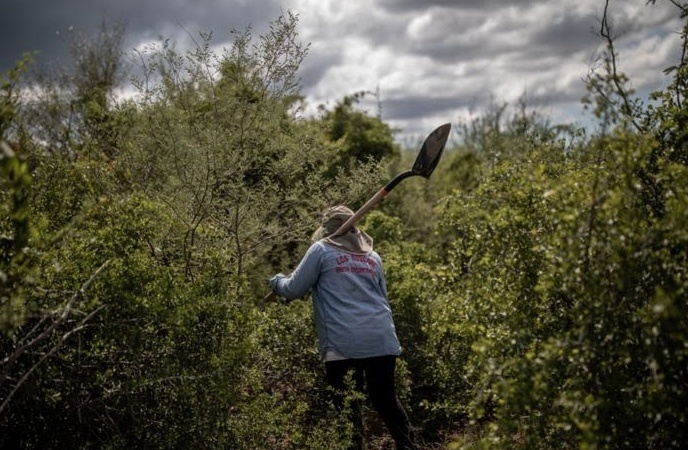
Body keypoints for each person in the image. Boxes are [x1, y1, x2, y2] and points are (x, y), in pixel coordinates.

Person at [270, 205, 418, 450]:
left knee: (347, 406)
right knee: (386, 401)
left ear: (327, 229)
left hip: (343, 342)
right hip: (381, 337)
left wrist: (276, 281)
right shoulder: (373, 256)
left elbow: (293, 289)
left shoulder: (320, 250)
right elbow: (383, 296)